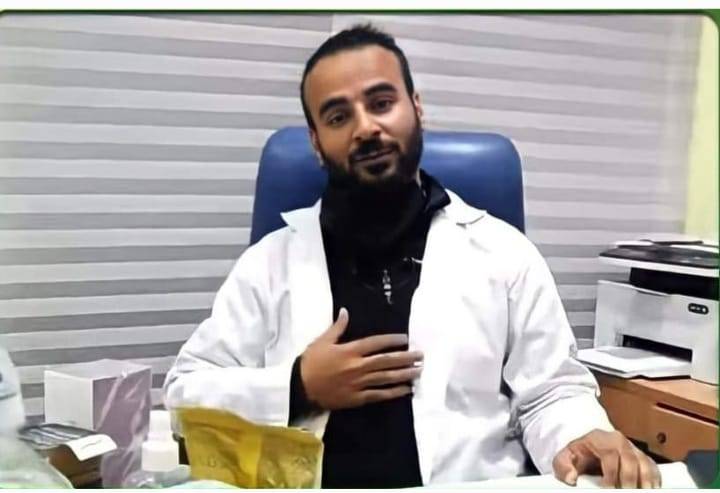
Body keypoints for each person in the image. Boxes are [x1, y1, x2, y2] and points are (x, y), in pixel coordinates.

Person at [164, 24, 661, 489]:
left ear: (416, 108)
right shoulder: (269, 264)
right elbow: (186, 395)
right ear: (316, 143)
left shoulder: (504, 254)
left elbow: (551, 391)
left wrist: (580, 435)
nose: (365, 128)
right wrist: (298, 386)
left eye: (381, 103)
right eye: (338, 117)